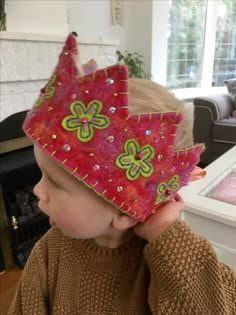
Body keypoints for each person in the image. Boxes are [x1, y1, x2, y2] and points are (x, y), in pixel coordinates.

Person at [8, 33, 236, 315]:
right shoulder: (49, 252)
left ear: (125, 211)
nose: (37, 191)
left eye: (54, 181)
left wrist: (165, 233)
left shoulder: (176, 260)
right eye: (42, 175)